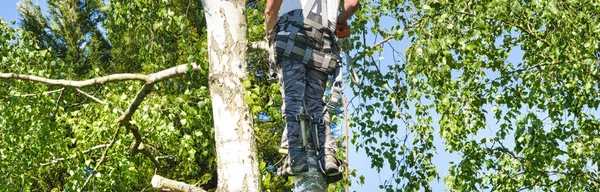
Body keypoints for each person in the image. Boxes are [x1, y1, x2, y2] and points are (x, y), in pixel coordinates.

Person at [264, 0, 359, 182]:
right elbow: (352, 4)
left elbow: (270, 10)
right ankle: (328, 157)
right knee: (316, 101)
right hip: (323, 40)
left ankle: (297, 156)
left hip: (291, 34)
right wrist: (339, 19)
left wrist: (269, 33)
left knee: (294, 98)